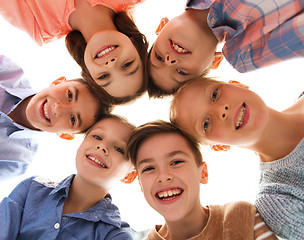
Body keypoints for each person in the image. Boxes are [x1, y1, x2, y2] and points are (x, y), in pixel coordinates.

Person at [0, 44, 112, 196]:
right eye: (69, 95)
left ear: (65, 135)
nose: (58, 108)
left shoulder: (15, 162)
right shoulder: (4, 68)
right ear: (58, 82)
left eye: (73, 119)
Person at [170, 77, 304, 239]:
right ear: (219, 146)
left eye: (214, 95)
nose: (221, 110)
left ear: (237, 84)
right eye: (206, 124)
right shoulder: (278, 200)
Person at [0, 114, 137, 240]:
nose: (102, 147)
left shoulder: (115, 234)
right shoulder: (32, 187)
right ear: (81, 143)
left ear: (129, 176)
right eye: (97, 137)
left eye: (119, 149)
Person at [126, 120, 277, 239]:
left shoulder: (241, 217)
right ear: (140, 184)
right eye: (148, 169)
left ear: (203, 172)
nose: (163, 176)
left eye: (176, 162)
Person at [0, 0, 149, 104]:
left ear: (88, 72)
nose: (111, 64)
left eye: (103, 76)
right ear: (136, 45)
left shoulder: (39, 26)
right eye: (127, 65)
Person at [147, 0, 304, 98]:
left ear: (161, 26)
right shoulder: (247, 53)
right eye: (181, 72)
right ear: (215, 61)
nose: (170, 61)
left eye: (158, 58)